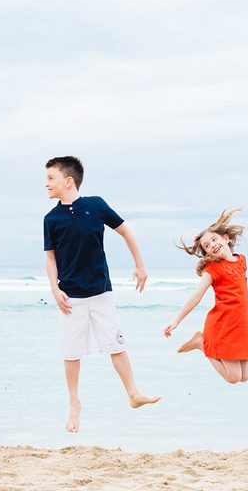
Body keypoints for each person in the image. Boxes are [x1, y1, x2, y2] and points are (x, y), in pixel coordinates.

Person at [43, 156, 160, 433]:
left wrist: (140, 265)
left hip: (101, 293)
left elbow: (125, 231)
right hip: (71, 297)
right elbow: (50, 258)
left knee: (116, 346)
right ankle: (74, 403)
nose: (46, 183)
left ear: (68, 181)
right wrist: (54, 288)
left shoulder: (95, 205)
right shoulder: (51, 219)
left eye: (51, 178)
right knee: (71, 353)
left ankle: (133, 393)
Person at [164, 208, 248, 384]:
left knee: (245, 377)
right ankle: (200, 342)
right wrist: (176, 321)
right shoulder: (212, 270)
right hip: (224, 326)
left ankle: (201, 343)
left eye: (214, 239)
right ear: (208, 253)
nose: (212, 244)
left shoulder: (241, 260)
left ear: (225, 239)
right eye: (207, 246)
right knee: (233, 377)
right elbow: (196, 297)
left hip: (240, 326)